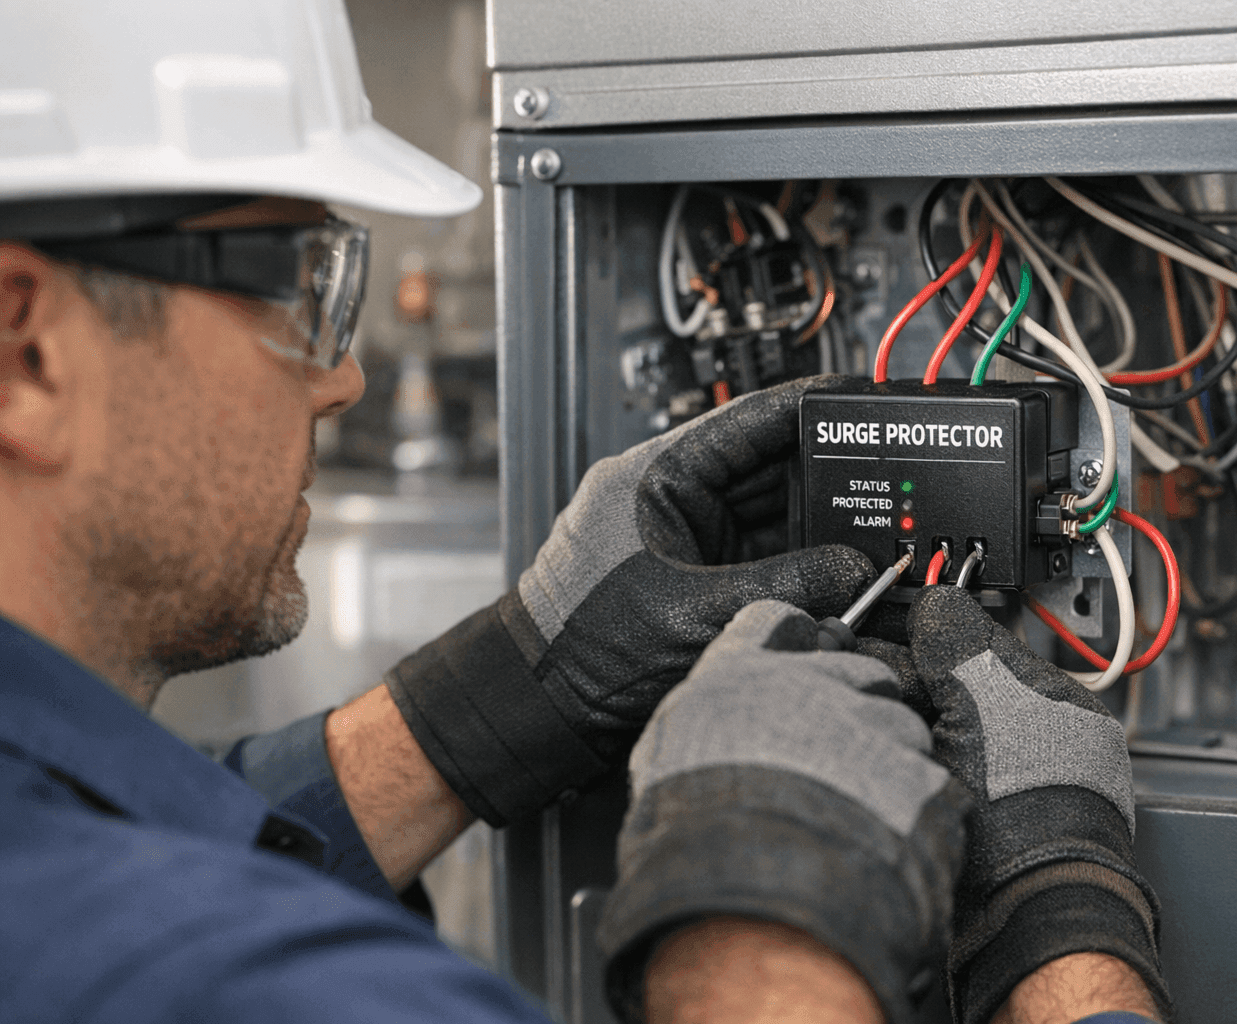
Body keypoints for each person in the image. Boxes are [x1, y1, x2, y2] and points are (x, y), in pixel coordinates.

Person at [0, 0, 1172, 1021]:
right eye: (299, 291)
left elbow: (149, 844)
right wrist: (1009, 917)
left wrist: (487, 703)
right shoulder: (241, 985)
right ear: (26, 352)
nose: (342, 377)